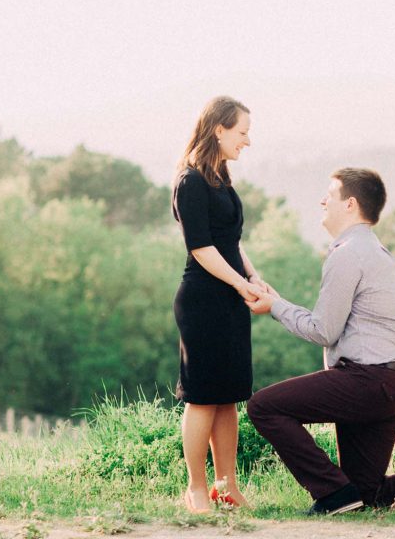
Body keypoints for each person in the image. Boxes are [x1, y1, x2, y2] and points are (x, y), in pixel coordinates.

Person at [245, 167, 395, 515]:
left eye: (330, 195)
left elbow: (323, 331)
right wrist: (278, 302)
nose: (322, 201)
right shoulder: (375, 251)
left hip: (368, 382)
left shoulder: (347, 253)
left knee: (264, 407)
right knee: (365, 493)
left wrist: (275, 306)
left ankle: (332, 492)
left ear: (350, 204)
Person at [172, 96, 265, 513]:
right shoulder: (190, 181)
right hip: (202, 302)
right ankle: (195, 488)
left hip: (229, 299)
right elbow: (202, 248)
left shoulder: (220, 177)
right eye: (242, 132)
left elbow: (230, 242)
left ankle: (226, 486)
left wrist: (253, 277)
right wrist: (240, 284)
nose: (247, 140)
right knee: (203, 397)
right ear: (219, 129)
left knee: (229, 396)